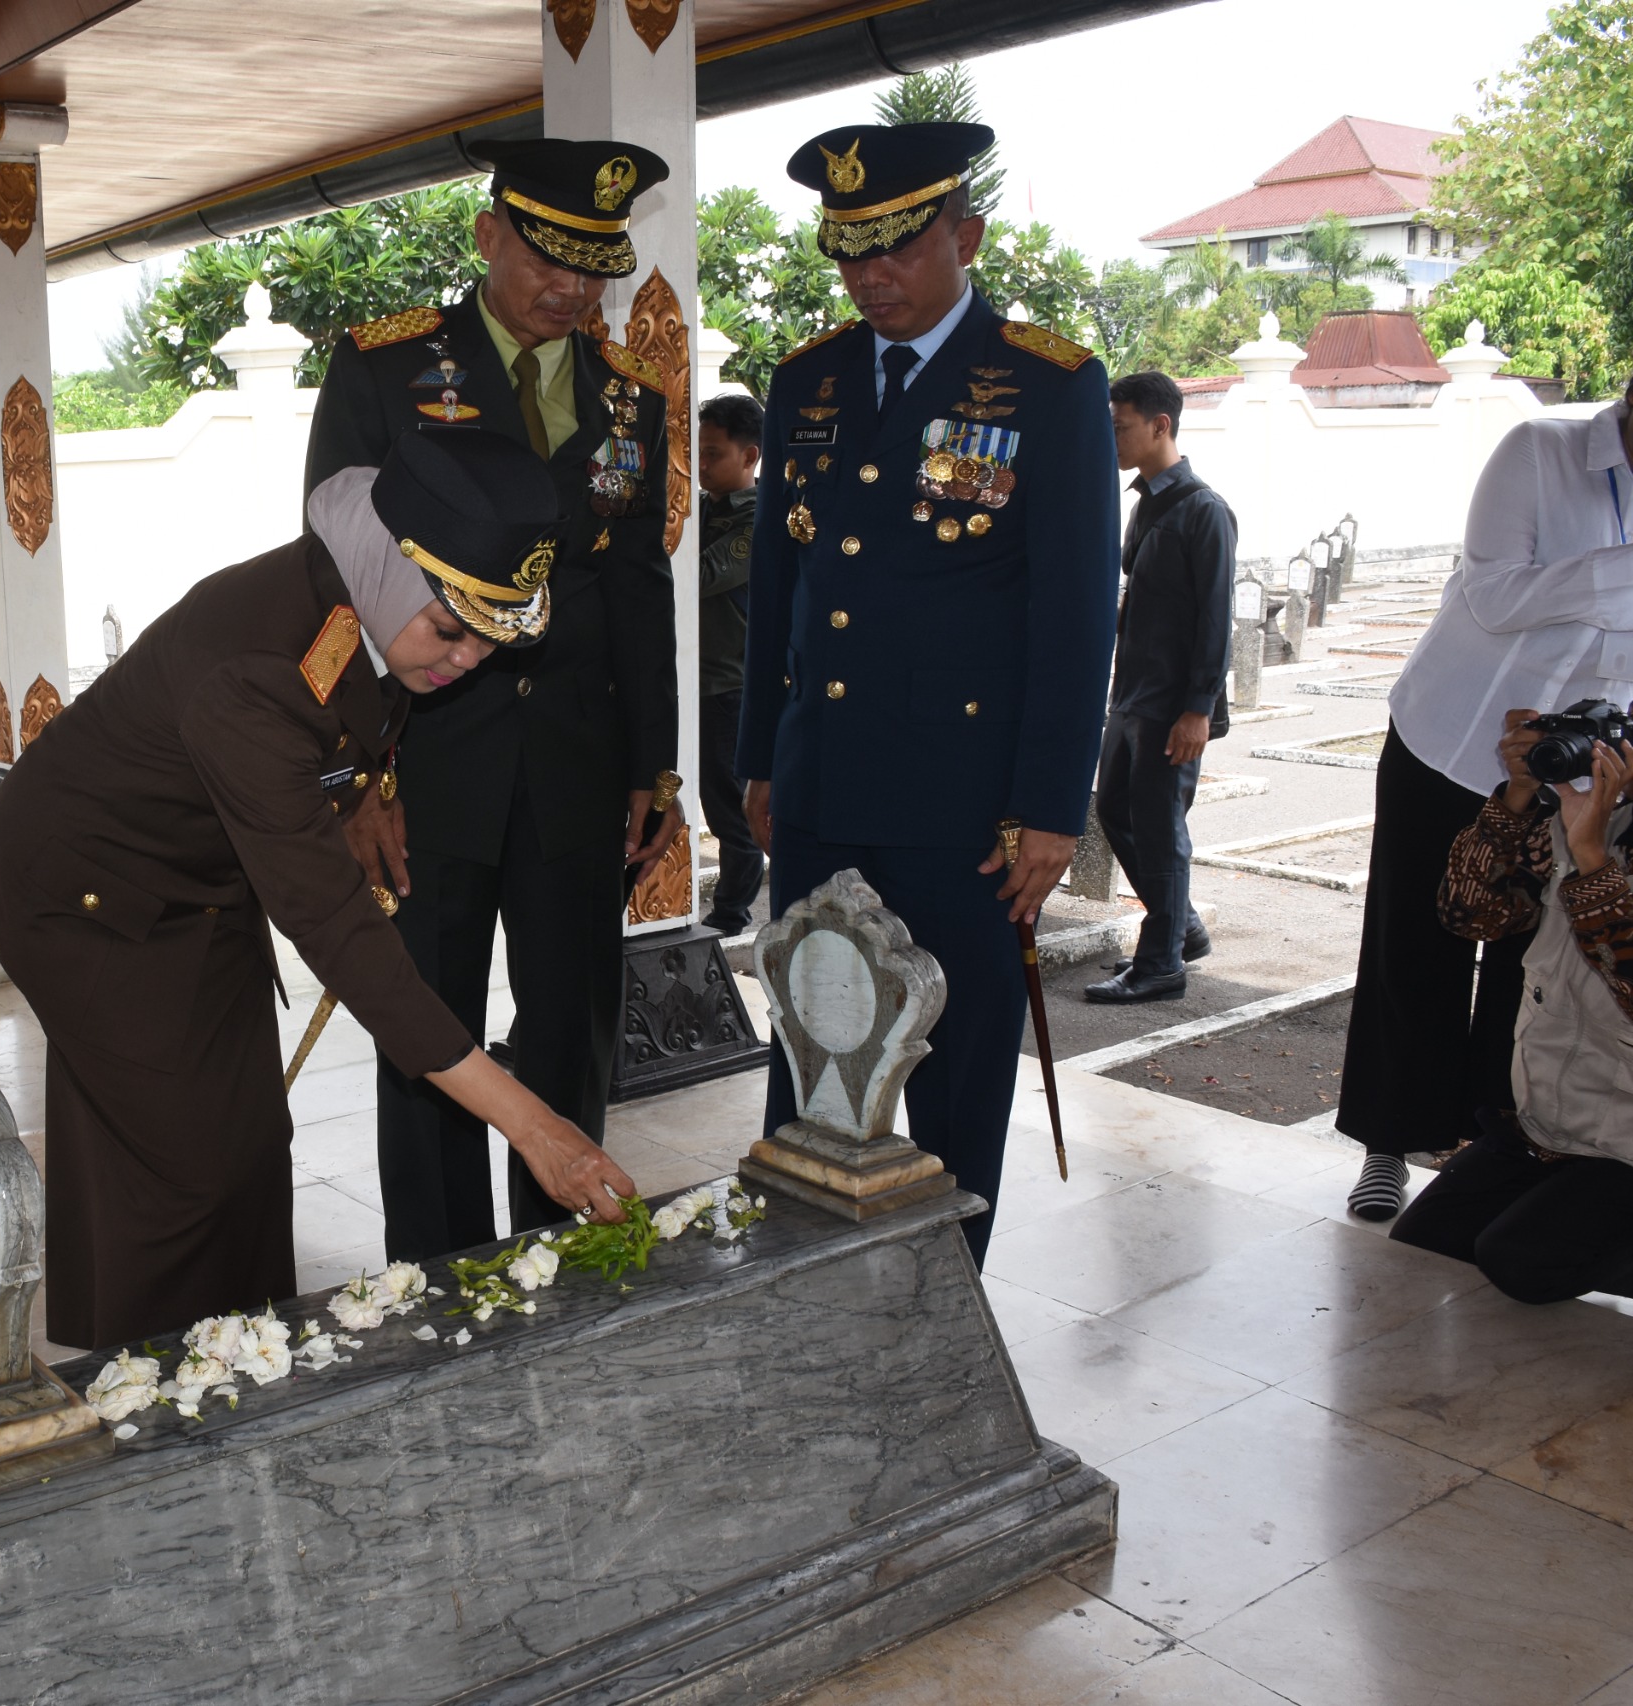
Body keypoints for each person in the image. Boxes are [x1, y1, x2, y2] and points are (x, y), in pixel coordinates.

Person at [0, 428, 637, 1349]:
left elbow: (352, 717)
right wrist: (532, 1124)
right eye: (451, 631)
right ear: (394, 567)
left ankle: (240, 1355)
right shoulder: (255, 672)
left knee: (243, 1142)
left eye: (493, 638)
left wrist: (364, 790)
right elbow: (337, 931)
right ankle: (157, 1388)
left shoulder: (356, 593)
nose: (468, 661)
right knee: (186, 1168)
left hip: (198, 878)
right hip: (85, 893)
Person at [737, 122, 1118, 1268]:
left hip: (968, 809)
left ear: (968, 236)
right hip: (820, 788)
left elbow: (1074, 614)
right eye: (849, 253)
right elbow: (777, 591)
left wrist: (1050, 808)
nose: (871, 276)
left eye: (897, 248)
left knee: (955, 1073)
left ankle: (947, 1305)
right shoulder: (807, 379)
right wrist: (757, 760)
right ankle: (802, 1281)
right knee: (813, 1059)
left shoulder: (1046, 384)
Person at [305, 138, 683, 1262]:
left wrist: (651, 766)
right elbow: (331, 582)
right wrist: (354, 774)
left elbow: (637, 588)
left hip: (576, 765)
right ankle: (442, 1274)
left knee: (571, 1024)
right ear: (488, 237)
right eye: (548, 259)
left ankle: (560, 1256)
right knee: (428, 1024)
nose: (572, 288)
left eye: (595, 266)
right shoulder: (384, 369)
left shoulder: (630, 396)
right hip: (425, 764)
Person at [1336, 374, 1633, 1221]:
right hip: (1451, 738)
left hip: (1571, 769)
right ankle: (1389, 1142)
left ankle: (1496, 1146)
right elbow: (1495, 595)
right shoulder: (1541, 451)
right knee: (1414, 943)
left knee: (1529, 964)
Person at [1391, 717, 1633, 1302]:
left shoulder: (1592, 836)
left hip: (1626, 1144)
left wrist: (1593, 860)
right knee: (1426, 1241)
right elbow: (1469, 914)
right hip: (1552, 1128)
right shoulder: (1591, 817)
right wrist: (1519, 796)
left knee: (1521, 1262)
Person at [1085, 369, 1234, 1004]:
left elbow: (1216, 617)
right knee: (1114, 809)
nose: (1111, 439)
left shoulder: (1204, 511)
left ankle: (1160, 965)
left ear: (1160, 425)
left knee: (1159, 826)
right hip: (1133, 691)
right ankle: (1181, 928)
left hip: (1172, 703)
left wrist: (1197, 708)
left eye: (1120, 427)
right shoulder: (1145, 502)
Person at [697, 391, 765, 936]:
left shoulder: (757, 521)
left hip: (728, 685)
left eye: (713, 453)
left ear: (750, 456)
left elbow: (697, 577)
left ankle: (730, 915)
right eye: (697, 452)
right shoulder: (701, 510)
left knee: (730, 810)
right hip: (693, 680)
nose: (700, 464)